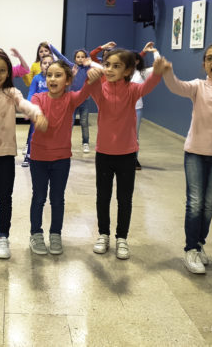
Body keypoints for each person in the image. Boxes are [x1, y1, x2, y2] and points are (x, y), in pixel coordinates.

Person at [160, 42, 212, 274]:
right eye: (209, 58)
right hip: (195, 153)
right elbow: (176, 86)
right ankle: (190, 250)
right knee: (195, 203)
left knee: (208, 205)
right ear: (204, 64)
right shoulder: (198, 86)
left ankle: (199, 244)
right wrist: (167, 72)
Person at [83, 49, 165, 260]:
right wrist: (91, 77)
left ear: (128, 70)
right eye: (107, 64)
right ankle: (103, 234)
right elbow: (90, 87)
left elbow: (149, 85)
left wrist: (156, 72)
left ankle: (122, 238)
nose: (109, 69)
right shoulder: (101, 90)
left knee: (124, 198)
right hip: (104, 154)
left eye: (116, 66)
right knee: (103, 196)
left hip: (127, 155)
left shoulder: (133, 90)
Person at [0, 52, 47, 259]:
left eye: (2, 70)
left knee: (5, 198)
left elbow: (24, 104)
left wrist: (36, 112)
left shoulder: (12, 91)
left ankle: (4, 237)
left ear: (8, 72)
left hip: (6, 153)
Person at [28, 60, 91, 255]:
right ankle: (35, 233)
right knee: (39, 197)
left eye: (58, 75)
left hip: (62, 158)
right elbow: (33, 110)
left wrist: (91, 78)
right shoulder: (38, 97)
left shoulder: (71, 98)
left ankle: (55, 233)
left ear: (68, 80)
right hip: (38, 157)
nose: (52, 79)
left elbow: (85, 93)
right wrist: (38, 118)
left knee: (57, 198)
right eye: (49, 75)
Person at [48, 44, 96, 153]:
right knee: (70, 123)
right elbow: (61, 57)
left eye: (82, 57)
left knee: (84, 123)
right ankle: (65, 142)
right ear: (75, 59)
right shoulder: (71, 66)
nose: (80, 58)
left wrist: (90, 62)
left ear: (86, 58)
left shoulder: (89, 67)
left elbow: (100, 60)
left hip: (84, 100)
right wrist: (51, 47)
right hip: (72, 101)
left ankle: (85, 143)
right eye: (78, 57)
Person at [131, 42, 161, 170]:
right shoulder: (120, 73)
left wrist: (155, 52)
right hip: (121, 109)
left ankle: (134, 159)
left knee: (134, 136)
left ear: (137, 61)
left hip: (136, 109)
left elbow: (158, 66)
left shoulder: (142, 73)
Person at [22, 54, 54, 167]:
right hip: (37, 111)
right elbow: (31, 92)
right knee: (33, 134)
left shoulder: (54, 78)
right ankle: (29, 155)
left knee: (50, 134)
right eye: (44, 63)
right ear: (40, 66)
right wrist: (29, 106)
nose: (47, 65)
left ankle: (48, 155)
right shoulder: (36, 78)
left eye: (50, 63)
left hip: (51, 112)